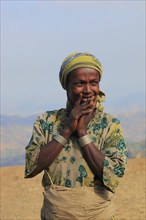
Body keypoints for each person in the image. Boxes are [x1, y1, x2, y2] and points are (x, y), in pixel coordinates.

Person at [25, 52, 128, 220]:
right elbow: (31, 166)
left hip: (100, 215)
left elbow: (114, 174)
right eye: (80, 83)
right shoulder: (47, 121)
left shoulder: (110, 125)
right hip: (56, 215)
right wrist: (67, 130)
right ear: (66, 85)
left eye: (93, 83)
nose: (88, 90)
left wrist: (82, 133)